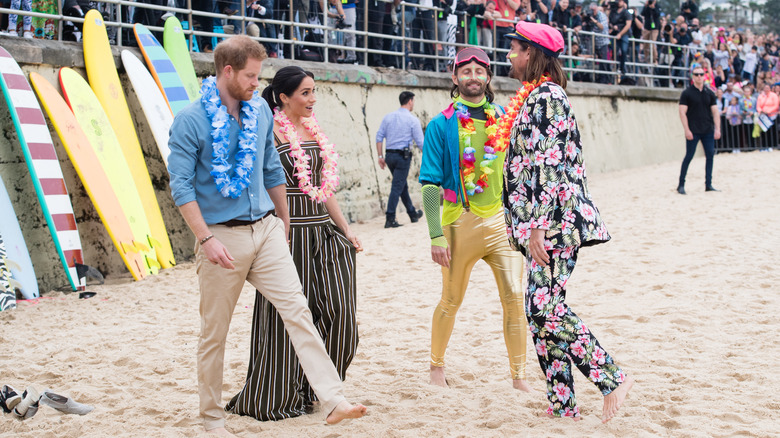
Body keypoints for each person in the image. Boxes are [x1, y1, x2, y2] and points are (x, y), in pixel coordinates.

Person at [166, 36, 366, 436]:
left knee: (298, 311)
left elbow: (272, 170)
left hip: (268, 229)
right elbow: (181, 187)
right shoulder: (191, 120)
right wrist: (206, 239)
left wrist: (285, 223)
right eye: (251, 76)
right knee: (214, 333)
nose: (259, 84)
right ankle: (211, 419)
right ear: (227, 71)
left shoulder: (258, 110)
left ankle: (332, 399)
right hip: (222, 237)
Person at [502, 20, 633, 421]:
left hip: (555, 223)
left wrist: (539, 225)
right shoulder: (537, 96)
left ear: (531, 54)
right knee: (539, 310)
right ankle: (562, 405)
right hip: (543, 223)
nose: (509, 55)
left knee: (545, 309)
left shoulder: (547, 97)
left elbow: (549, 164)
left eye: (515, 48)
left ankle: (612, 377)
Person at [221, 66, 363, 422]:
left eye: (314, 92)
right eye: (305, 93)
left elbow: (323, 187)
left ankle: (320, 385)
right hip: (289, 233)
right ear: (283, 97)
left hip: (324, 232)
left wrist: (344, 227)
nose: (312, 99)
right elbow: (261, 182)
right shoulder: (268, 131)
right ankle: (290, 392)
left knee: (342, 314)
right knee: (290, 318)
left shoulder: (314, 130)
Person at [419, 47, 532, 392]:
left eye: (479, 71)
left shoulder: (504, 118)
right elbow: (429, 183)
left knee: (515, 296)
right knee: (451, 299)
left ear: (488, 77)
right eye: (465, 71)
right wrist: (436, 235)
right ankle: (436, 367)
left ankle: (519, 377)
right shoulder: (441, 124)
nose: (472, 77)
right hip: (458, 224)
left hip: (500, 223)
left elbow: (520, 169)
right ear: (455, 78)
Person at [376, 91, 425, 228]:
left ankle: (412, 214)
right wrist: (429, 157)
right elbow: (421, 143)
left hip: (389, 156)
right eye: (413, 101)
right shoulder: (412, 120)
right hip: (403, 157)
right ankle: (390, 218)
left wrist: (380, 156)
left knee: (401, 185)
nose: (413, 103)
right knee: (397, 186)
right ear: (410, 101)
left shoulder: (388, 117)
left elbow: (379, 137)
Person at [677, 63, 721, 195]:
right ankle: (681, 184)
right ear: (693, 76)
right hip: (693, 130)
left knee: (710, 156)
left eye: (701, 74)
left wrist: (717, 128)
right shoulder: (687, 93)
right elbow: (682, 112)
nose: (699, 77)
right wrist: (686, 129)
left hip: (707, 129)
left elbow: (715, 112)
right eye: (697, 74)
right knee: (689, 156)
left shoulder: (709, 93)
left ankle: (708, 184)